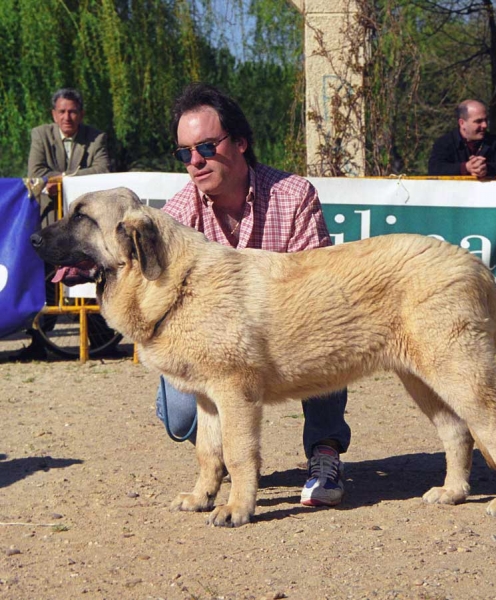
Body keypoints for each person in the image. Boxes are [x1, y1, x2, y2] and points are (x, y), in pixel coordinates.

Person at [157, 82, 351, 507]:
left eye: (206, 147)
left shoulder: (294, 195)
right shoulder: (176, 216)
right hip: (210, 344)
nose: (194, 161)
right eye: (184, 152)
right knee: (180, 416)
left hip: (286, 330)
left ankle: (324, 452)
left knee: (330, 332)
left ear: (241, 142)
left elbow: (317, 292)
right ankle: (216, 461)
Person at [14, 88, 112, 361]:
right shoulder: (40, 135)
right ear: (53, 114)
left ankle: (101, 340)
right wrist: (76, 179)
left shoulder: (96, 137)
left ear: (80, 114)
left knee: (91, 273)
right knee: (43, 280)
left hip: (82, 227)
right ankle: (38, 340)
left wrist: (64, 181)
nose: (67, 117)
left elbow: (103, 170)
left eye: (72, 111)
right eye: (62, 111)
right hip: (49, 220)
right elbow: (36, 174)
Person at [428, 99, 496, 177]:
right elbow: (435, 170)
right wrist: (465, 168)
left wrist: (486, 168)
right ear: (462, 123)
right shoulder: (444, 143)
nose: (485, 125)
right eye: (478, 121)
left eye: (486, 120)